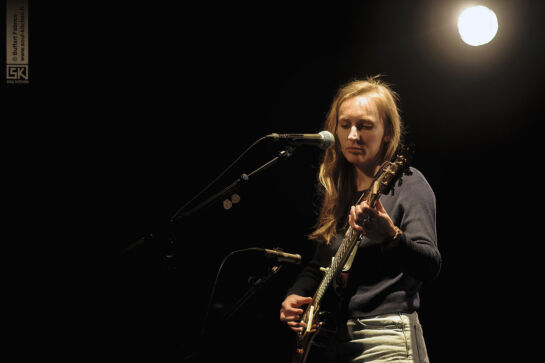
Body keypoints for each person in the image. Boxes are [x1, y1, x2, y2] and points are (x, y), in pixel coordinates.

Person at [279, 76, 441, 362]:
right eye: (345, 125)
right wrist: (296, 294)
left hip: (386, 336)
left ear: (387, 132)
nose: (353, 135)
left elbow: (430, 264)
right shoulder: (338, 191)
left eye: (364, 126)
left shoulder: (408, 184)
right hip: (335, 340)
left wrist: (390, 236)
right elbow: (320, 265)